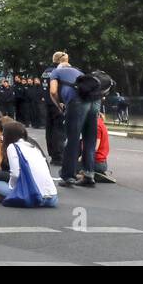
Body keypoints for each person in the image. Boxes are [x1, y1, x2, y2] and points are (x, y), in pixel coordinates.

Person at [49, 50, 98, 187]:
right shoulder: (79, 71)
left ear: (57, 62)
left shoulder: (56, 72)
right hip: (92, 103)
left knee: (72, 139)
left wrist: (59, 105)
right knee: (89, 139)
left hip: (76, 103)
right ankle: (89, 175)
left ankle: (68, 176)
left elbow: (53, 91)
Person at [0, 119, 58, 207]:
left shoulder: (12, 147)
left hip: (33, 196)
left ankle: (14, 198)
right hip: (52, 198)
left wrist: (14, 190)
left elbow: (15, 174)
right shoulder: (33, 146)